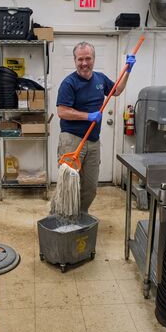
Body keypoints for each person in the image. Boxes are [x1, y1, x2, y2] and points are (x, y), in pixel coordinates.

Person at [56, 41, 136, 214]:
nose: (84, 63)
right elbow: (62, 111)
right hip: (72, 140)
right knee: (68, 185)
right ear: (75, 60)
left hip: (93, 141)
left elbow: (117, 90)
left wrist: (128, 70)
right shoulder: (69, 83)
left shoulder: (100, 79)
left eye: (88, 58)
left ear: (93, 59)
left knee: (90, 187)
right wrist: (87, 116)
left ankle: (81, 216)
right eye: (80, 59)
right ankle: (61, 219)